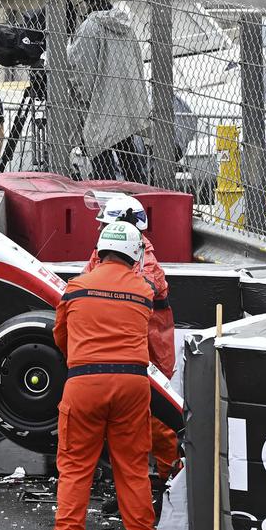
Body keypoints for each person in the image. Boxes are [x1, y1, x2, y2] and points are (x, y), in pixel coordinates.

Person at [52, 221, 159, 530]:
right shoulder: (144, 290)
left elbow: (60, 336)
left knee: (75, 465)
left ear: (100, 249)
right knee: (133, 467)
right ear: (134, 253)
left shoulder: (76, 287)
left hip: (85, 382)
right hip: (132, 384)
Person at [82, 196, 178, 502]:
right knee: (119, 424)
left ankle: (170, 483)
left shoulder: (146, 261)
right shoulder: (100, 253)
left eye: (106, 225)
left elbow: (138, 290)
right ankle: (130, 487)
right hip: (119, 350)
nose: (101, 230)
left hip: (149, 352)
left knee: (158, 422)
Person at [66, 0, 151, 183]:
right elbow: (136, 63)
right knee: (128, 155)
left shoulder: (90, 26)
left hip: (100, 103)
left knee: (101, 159)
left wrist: (83, 99)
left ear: (89, 0)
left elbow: (80, 68)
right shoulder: (126, 25)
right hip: (125, 101)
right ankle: (139, 194)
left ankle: (108, 196)